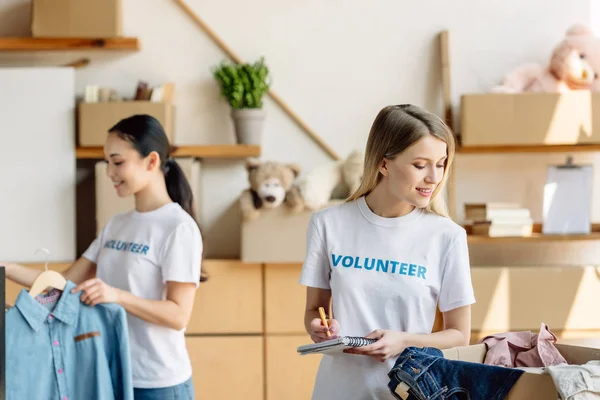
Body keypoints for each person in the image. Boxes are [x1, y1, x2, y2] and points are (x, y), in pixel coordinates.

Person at [4, 114, 204, 400]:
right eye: (107, 162)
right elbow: (62, 284)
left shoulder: (178, 228)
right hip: (111, 373)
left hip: (158, 383)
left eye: (118, 162)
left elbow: (178, 314)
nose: (110, 172)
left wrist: (117, 296)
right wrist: (7, 267)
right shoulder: (117, 224)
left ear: (152, 161)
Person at [300, 104, 476, 399]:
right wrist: (318, 328)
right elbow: (313, 310)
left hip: (409, 392)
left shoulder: (447, 237)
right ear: (384, 164)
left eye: (441, 163)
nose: (434, 177)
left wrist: (403, 342)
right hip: (338, 391)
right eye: (420, 165)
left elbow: (459, 335)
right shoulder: (328, 224)